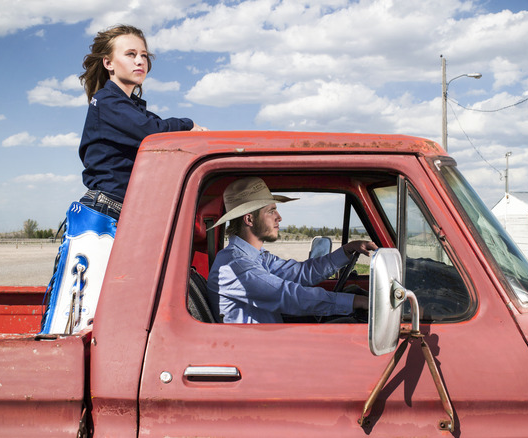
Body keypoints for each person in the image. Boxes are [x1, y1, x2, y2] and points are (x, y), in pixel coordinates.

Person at [77, 24, 208, 220]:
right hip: (105, 209)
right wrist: (187, 124)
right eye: (130, 54)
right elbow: (153, 132)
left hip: (122, 207)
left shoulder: (130, 107)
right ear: (108, 63)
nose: (140, 61)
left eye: (144, 55)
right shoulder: (106, 102)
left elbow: (160, 131)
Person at [206, 177, 378, 323]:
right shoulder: (235, 265)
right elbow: (288, 296)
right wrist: (356, 302)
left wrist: (347, 251)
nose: (279, 217)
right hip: (253, 353)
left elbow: (301, 272)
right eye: (271, 211)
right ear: (249, 219)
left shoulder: (257, 257)